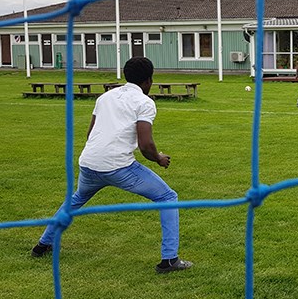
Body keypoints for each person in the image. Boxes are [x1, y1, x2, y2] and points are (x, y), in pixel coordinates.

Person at [31, 57, 193, 274]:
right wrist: (159, 158)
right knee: (167, 197)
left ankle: (43, 244)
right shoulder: (145, 102)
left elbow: (91, 133)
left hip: (89, 162)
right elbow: (146, 145)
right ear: (149, 80)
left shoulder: (105, 97)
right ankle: (170, 260)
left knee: (76, 199)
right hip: (118, 167)